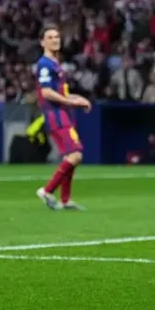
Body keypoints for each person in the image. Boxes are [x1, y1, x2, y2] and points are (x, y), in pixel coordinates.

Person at [35, 24, 91, 210]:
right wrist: (70, 102)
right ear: (42, 42)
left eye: (57, 37)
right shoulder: (44, 64)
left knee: (70, 155)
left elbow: (61, 93)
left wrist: (77, 99)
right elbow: (46, 92)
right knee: (76, 154)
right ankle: (47, 191)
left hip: (64, 114)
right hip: (56, 116)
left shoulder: (55, 64)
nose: (55, 40)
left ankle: (65, 200)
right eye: (50, 37)